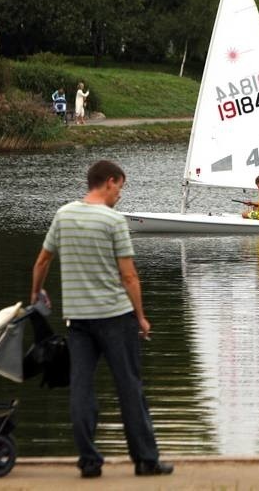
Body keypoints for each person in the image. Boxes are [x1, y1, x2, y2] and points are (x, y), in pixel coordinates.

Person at [30, 160, 173, 479]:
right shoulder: (113, 221)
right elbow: (129, 277)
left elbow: (42, 260)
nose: (120, 194)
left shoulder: (63, 215)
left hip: (78, 319)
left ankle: (89, 462)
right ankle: (146, 461)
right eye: (120, 187)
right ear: (109, 182)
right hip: (116, 318)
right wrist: (141, 317)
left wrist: (36, 295)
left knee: (81, 387)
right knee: (129, 387)